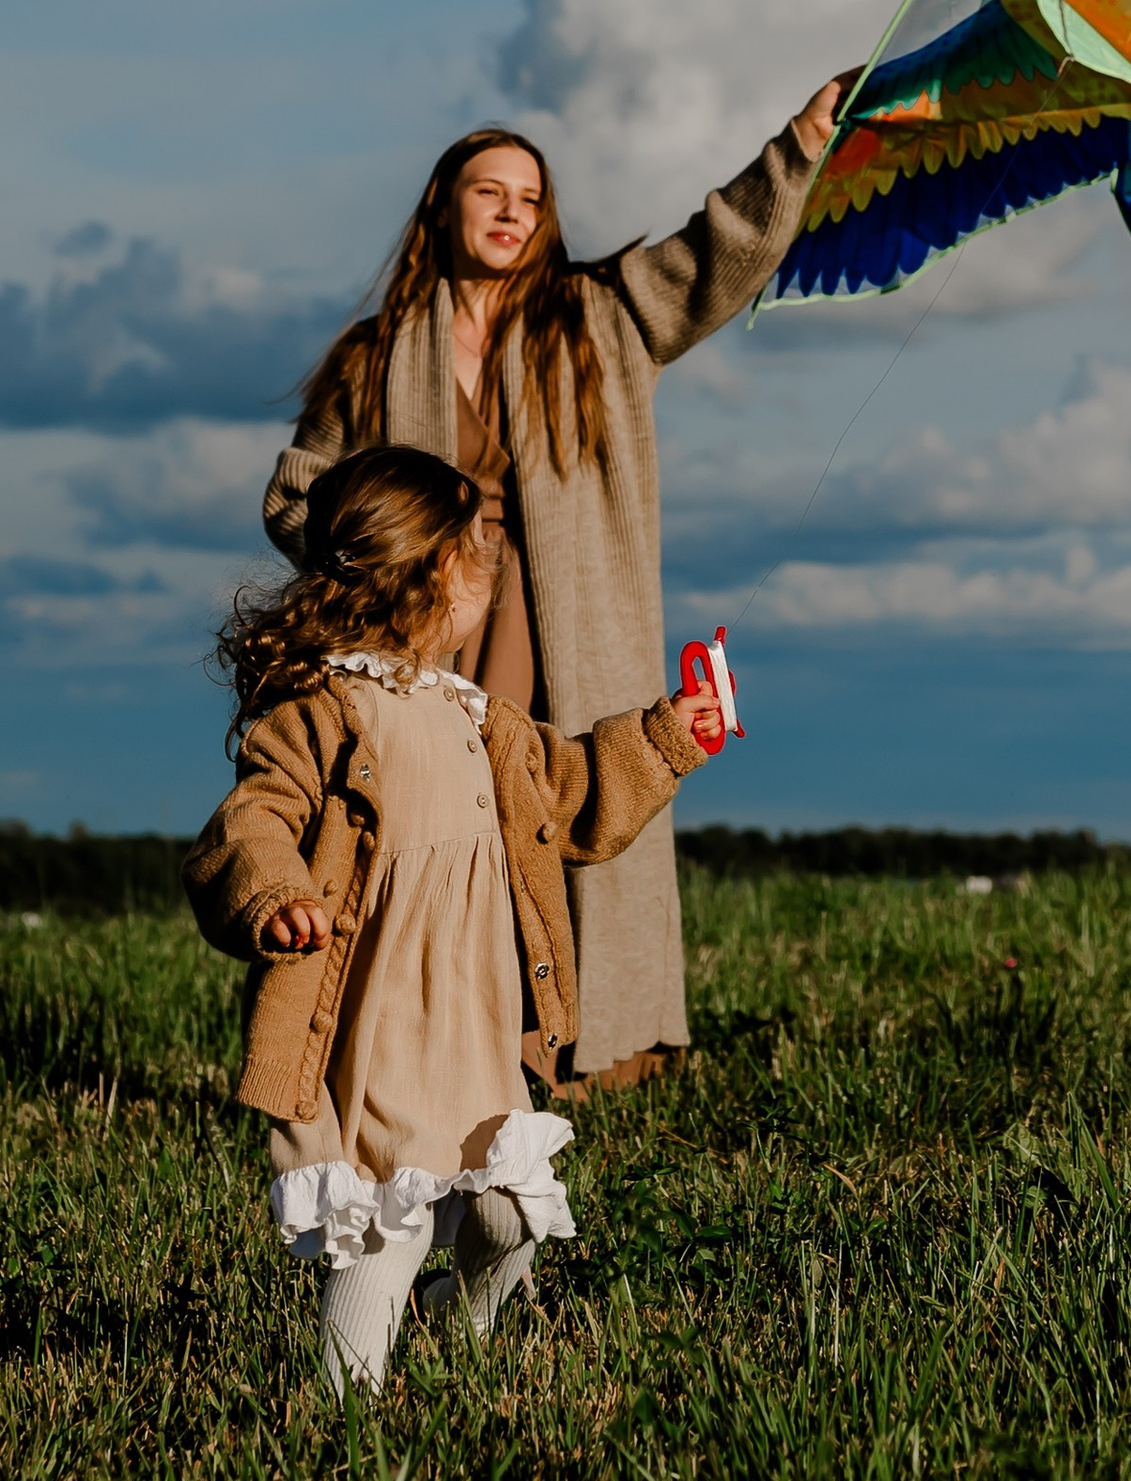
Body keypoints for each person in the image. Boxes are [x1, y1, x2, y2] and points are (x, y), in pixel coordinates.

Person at [264, 79, 851, 1087]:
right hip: (429, 627)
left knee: (573, 798)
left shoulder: (602, 313)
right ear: (444, 206)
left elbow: (724, 252)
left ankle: (580, 1049)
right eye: (487, 190)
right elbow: (297, 496)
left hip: (571, 623)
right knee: (432, 817)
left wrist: (797, 144)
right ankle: (423, 1033)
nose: (508, 211)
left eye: (529, 197)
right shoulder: (372, 360)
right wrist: (375, 564)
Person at [186, 444, 724, 1395]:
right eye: (477, 552)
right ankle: (344, 1411)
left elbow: (577, 791)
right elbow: (251, 821)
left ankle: (462, 1327)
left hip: (472, 1027)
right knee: (384, 1237)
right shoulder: (320, 711)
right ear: (433, 575)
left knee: (512, 1213)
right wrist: (276, 898)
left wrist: (669, 732)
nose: (490, 571)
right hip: (371, 1031)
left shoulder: (481, 716)